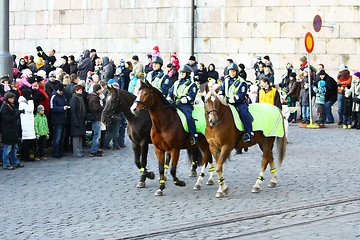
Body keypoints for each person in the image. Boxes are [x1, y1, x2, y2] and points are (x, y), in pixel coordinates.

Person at [219, 63, 253, 142]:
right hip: (227, 102)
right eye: (230, 71)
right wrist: (221, 97)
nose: (232, 73)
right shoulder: (226, 80)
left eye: (234, 71)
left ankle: (249, 133)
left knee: (244, 113)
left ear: (236, 72)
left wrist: (230, 100)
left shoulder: (242, 82)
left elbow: (240, 96)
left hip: (239, 103)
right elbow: (222, 90)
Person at [166, 65, 199, 145]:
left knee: (189, 118)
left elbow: (191, 97)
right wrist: (169, 99)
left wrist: (180, 101)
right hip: (174, 103)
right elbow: (170, 92)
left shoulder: (192, 84)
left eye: (183, 73)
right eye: (181, 73)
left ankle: (194, 136)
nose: (182, 74)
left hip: (185, 105)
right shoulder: (177, 82)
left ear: (188, 74)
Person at [0, 92, 24, 170]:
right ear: (8, 98)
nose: (13, 100)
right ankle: (6, 163)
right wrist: (17, 114)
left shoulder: (9, 106)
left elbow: (14, 112)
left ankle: (15, 162)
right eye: (12, 98)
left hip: (12, 130)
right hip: (7, 131)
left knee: (14, 147)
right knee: (7, 148)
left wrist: (19, 111)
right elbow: (8, 119)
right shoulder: (4, 107)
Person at [50, 84, 69, 158]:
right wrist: (62, 108)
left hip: (63, 119)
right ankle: (55, 152)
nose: (61, 92)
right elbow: (52, 108)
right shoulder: (54, 97)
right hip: (57, 120)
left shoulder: (63, 96)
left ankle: (60, 151)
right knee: (57, 138)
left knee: (62, 138)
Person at [18, 89, 36, 162]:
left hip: (28, 123)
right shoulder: (23, 103)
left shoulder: (24, 102)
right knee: (26, 142)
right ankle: (26, 156)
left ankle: (25, 156)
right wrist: (31, 101)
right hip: (26, 124)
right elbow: (30, 109)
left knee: (27, 142)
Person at [87, 83, 104, 157]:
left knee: (96, 135)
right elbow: (96, 108)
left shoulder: (92, 97)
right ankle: (93, 150)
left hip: (96, 117)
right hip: (96, 117)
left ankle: (95, 149)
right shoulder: (94, 98)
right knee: (97, 135)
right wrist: (103, 107)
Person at [70, 85, 86, 157]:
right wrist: (75, 121)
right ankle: (76, 152)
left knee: (79, 136)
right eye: (80, 90)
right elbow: (73, 111)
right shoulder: (74, 99)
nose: (81, 91)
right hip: (76, 120)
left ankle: (79, 150)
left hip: (80, 119)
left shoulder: (80, 98)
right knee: (76, 137)